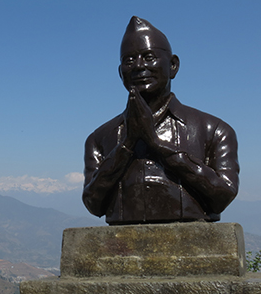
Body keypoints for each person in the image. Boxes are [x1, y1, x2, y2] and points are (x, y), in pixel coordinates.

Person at [82, 16, 239, 224]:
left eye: (149, 57)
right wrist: (127, 145)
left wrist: (158, 146)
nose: (139, 66)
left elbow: (223, 196)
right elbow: (93, 203)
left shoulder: (214, 130)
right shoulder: (99, 139)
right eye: (129, 61)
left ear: (173, 65)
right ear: (121, 73)